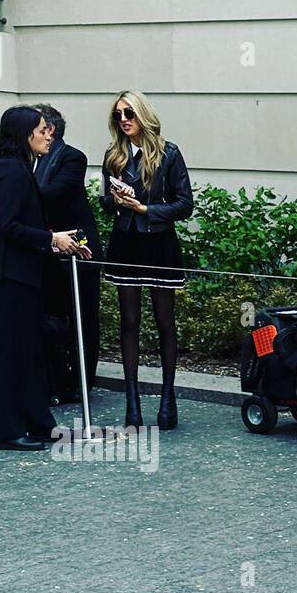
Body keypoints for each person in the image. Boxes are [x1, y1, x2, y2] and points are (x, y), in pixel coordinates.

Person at [0, 105, 90, 450]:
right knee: (13, 354)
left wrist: (58, 241)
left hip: (23, 275)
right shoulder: (13, 171)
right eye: (43, 129)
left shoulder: (18, 168)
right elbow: (9, 226)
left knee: (30, 352)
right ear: (25, 133)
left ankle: (39, 423)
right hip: (12, 276)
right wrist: (50, 239)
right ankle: (8, 431)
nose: (49, 134)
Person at [100, 90, 193, 430]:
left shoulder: (169, 154)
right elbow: (104, 204)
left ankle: (169, 398)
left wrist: (145, 208)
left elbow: (185, 204)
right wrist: (114, 197)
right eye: (118, 115)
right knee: (129, 322)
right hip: (125, 243)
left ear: (143, 116)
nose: (124, 120)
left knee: (165, 322)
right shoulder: (114, 155)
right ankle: (133, 404)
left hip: (159, 244)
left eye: (129, 113)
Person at [34, 103, 102, 405]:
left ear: (49, 129)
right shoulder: (31, 159)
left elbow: (55, 193)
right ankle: (54, 380)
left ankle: (80, 384)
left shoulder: (72, 157)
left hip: (78, 251)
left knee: (83, 319)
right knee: (51, 318)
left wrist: (15, 190)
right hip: (48, 250)